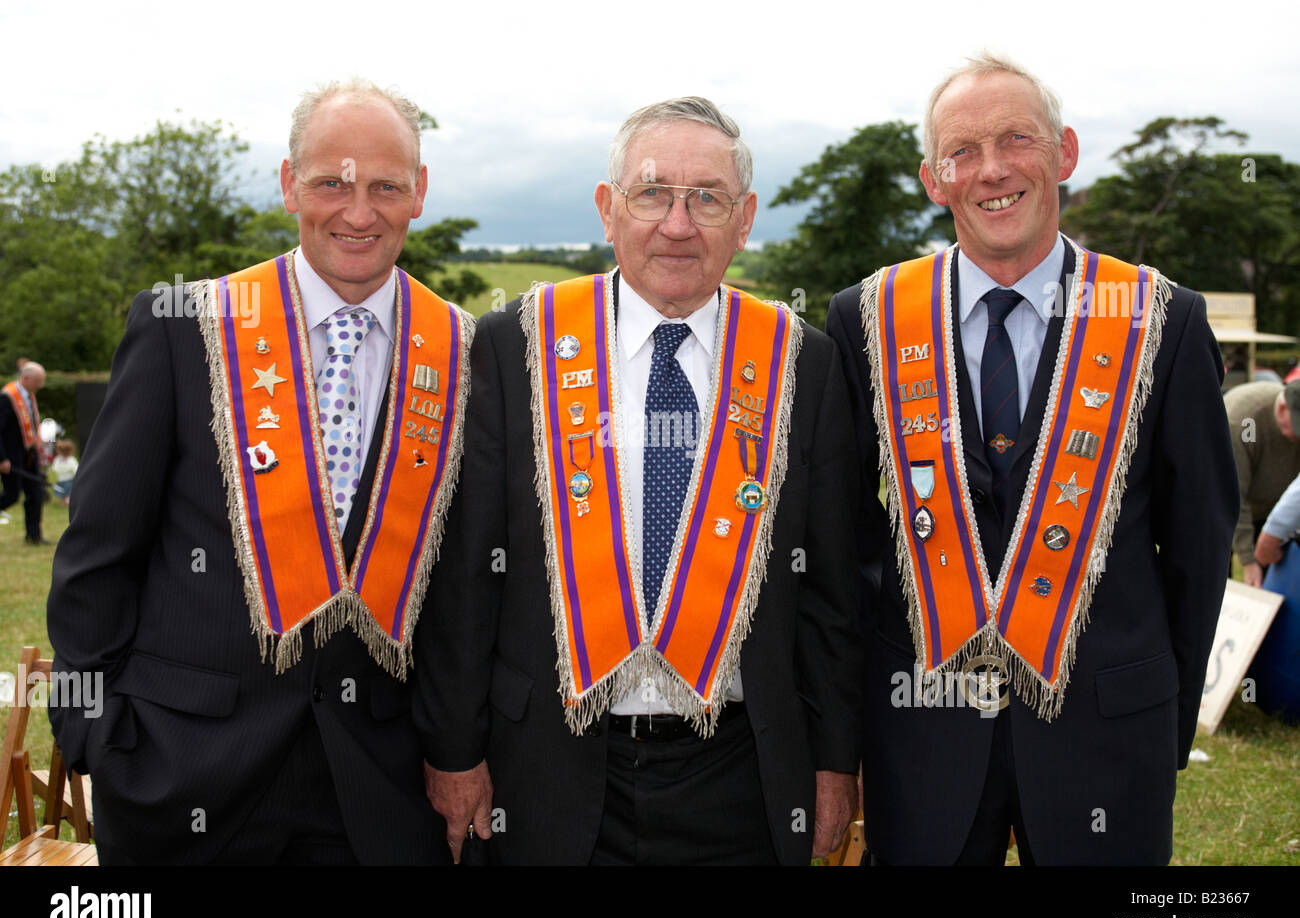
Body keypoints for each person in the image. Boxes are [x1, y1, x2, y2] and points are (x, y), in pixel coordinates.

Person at [416, 96, 862, 865]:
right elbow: (465, 577)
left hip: (741, 774)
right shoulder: (515, 345)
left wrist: (833, 764)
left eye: (707, 198)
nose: (678, 224)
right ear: (608, 208)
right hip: (546, 766)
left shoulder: (802, 362)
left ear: (746, 217)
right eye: (652, 193)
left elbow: (833, 591)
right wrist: (454, 752)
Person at [46, 79, 473, 864]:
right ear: (288, 185)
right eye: (330, 183)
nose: (357, 210)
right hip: (180, 773)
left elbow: (460, 589)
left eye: (385, 186)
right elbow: (97, 553)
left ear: (419, 194)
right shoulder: (184, 327)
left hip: (378, 788)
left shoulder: (463, 355)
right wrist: (95, 736)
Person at [825, 53, 1237, 865]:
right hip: (922, 727)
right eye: (962, 151)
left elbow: (1197, 549)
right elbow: (844, 548)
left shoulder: (1165, 319)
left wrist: (1161, 721)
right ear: (933, 179)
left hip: (1109, 731)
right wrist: (857, 727)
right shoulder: (864, 318)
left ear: (1065, 153)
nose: (992, 170)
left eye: (1017, 138)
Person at [1224, 380, 1300, 585]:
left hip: (1271, 511)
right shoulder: (1245, 423)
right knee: (1219, 582)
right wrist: (1248, 560)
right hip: (1225, 508)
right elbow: (1234, 495)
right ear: (1283, 408)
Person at [0, 361, 50, 544]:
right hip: (11, 457)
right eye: (38, 381)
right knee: (11, 495)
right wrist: (2, 458)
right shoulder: (7, 397)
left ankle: (34, 536)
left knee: (35, 494)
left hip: (29, 454)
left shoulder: (29, 396)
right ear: (26, 378)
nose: (40, 386)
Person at [50, 439, 77, 505]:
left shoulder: (58, 459)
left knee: (64, 492)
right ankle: (65, 501)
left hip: (63, 480)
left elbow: (54, 468)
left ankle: (65, 501)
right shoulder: (71, 460)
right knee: (66, 492)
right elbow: (75, 469)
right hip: (67, 480)